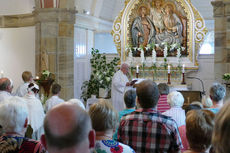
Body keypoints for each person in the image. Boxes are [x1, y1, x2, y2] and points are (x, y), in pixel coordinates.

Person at [118, 80, 182, 153]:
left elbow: (120, 148)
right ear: (158, 98)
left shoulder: (124, 121)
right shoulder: (170, 124)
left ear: (137, 100)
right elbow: (177, 151)